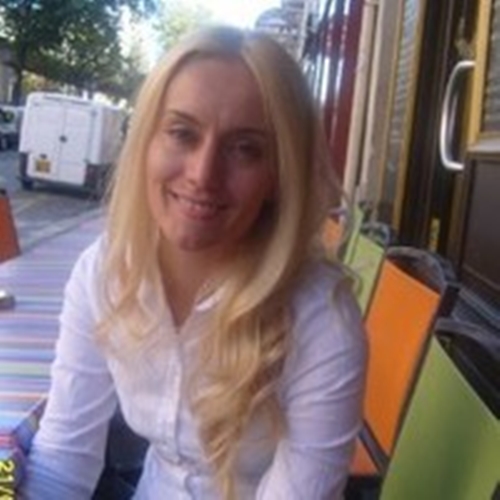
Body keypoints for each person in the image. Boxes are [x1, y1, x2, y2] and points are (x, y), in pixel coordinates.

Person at [19, 25, 367, 500]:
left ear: (279, 174)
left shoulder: (320, 321)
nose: (204, 174)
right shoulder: (104, 272)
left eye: (245, 149)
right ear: (146, 142)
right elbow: (63, 459)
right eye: (182, 133)